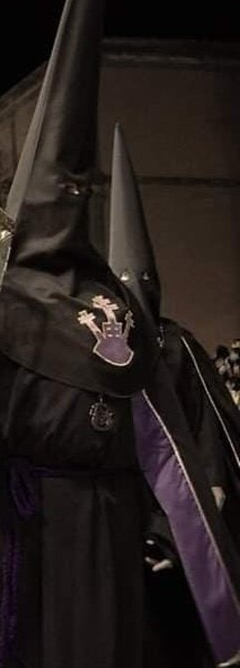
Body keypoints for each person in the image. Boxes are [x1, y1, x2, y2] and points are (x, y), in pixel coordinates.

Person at [0, 0, 240, 666]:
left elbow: (162, 447)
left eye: (79, 195)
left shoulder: (112, 311)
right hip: (4, 524)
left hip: (100, 533)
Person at [107, 123, 240, 667]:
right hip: (117, 519)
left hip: (181, 519)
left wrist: (184, 521)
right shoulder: (98, 350)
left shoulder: (178, 345)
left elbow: (212, 436)